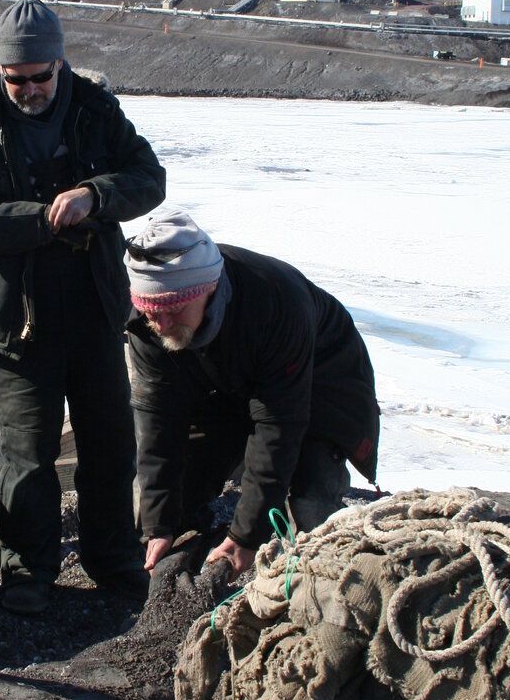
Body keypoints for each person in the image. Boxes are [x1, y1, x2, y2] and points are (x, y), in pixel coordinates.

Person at [0, 0, 166, 614]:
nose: (30, 89)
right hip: (16, 320)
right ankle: (28, 572)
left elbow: (149, 176)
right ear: (0, 72)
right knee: (27, 452)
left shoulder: (95, 109)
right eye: (17, 79)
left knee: (110, 445)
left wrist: (97, 194)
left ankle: (113, 560)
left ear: (60, 64)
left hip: (94, 309)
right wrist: (43, 220)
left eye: (41, 76)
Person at [125, 210, 380, 577]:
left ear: (206, 289)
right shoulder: (153, 323)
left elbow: (277, 425)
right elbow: (157, 422)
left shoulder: (275, 303)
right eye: (151, 312)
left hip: (323, 383)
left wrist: (246, 535)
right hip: (230, 383)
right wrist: (158, 527)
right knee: (163, 510)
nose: (161, 324)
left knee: (308, 514)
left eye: (174, 310)